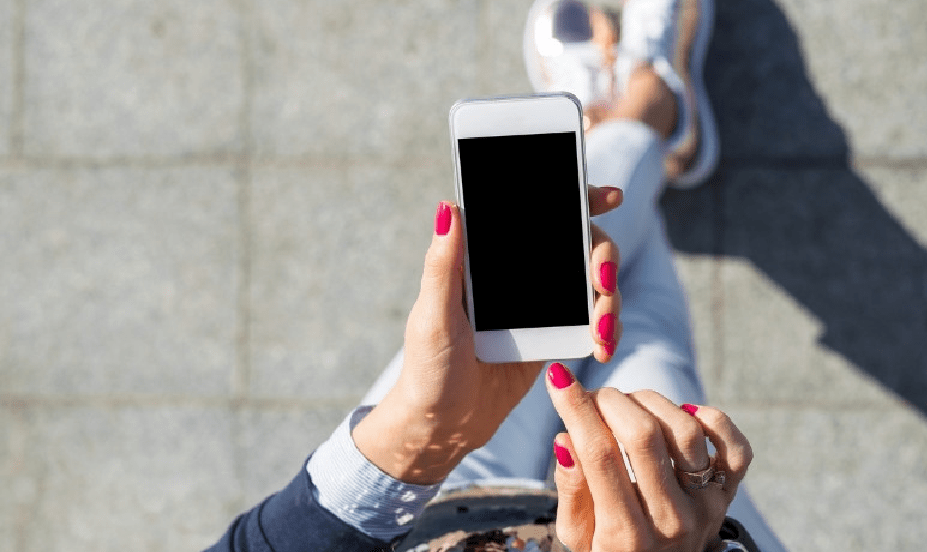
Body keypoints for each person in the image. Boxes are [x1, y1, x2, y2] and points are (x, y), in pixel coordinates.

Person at [208, 0, 785, 550]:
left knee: (608, 282)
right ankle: (642, 109)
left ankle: (630, 117)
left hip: (438, 515)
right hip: (653, 535)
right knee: (653, 369)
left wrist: (420, 436)